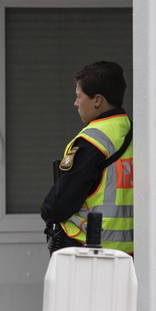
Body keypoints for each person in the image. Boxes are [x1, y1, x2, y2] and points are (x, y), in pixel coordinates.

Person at [41, 61, 134, 254]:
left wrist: (48, 210)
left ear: (97, 100)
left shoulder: (92, 141)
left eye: (78, 96)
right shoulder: (135, 133)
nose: (75, 103)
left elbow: (58, 205)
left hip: (90, 251)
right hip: (133, 255)